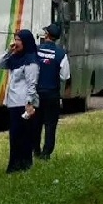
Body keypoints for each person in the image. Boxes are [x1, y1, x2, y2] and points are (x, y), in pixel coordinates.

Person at [0, 30, 39, 174]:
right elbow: (1, 64)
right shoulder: (14, 58)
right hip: (13, 102)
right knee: (14, 135)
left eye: (19, 40)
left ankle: (23, 163)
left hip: (23, 103)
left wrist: (29, 104)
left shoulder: (30, 60)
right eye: (15, 39)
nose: (16, 42)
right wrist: (9, 51)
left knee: (23, 134)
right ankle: (15, 163)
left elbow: (31, 84)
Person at [33, 23, 70, 161]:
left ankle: (35, 149)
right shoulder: (61, 54)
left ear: (47, 35)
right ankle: (46, 152)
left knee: (35, 123)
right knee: (50, 124)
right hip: (52, 93)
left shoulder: (36, 50)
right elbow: (65, 76)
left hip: (36, 92)